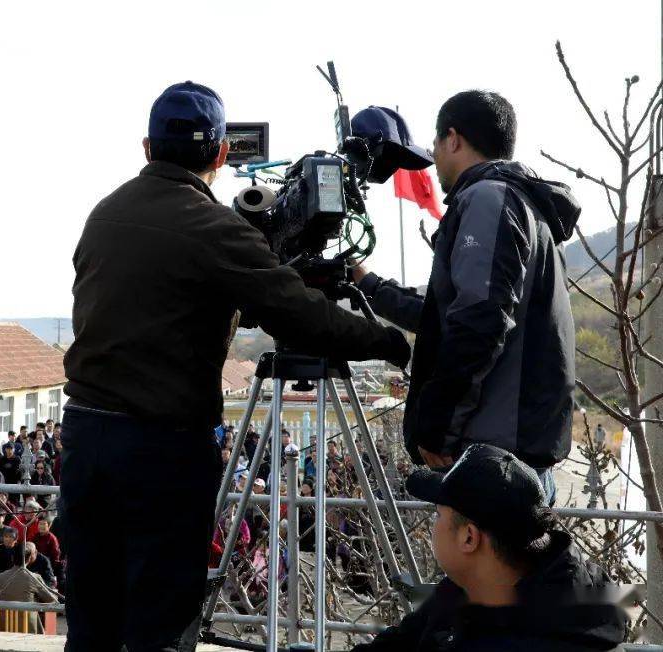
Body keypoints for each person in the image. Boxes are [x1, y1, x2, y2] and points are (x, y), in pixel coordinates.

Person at [62, 81, 410, 651]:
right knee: (160, 622)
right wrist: (388, 340)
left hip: (85, 438)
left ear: (147, 148)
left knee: (93, 614)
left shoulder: (103, 215)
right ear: (222, 155)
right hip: (162, 448)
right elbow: (300, 314)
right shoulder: (212, 227)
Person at [351, 93, 580, 504]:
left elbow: (480, 320)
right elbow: (449, 316)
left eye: (437, 144)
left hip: (492, 455)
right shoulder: (525, 205)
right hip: (511, 451)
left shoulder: (488, 199)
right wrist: (368, 284)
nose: (435, 156)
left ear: (453, 139)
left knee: (486, 569)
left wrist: (437, 426)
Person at [352, 444, 626, 651]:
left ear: (469, 538)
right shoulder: (468, 588)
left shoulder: (546, 637)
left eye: (438, 515)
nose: (433, 526)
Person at [0, 546, 59, 634]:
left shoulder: (0, 577)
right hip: (28, 628)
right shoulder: (34, 578)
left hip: (5, 626)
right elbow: (50, 599)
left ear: (12, 558)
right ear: (29, 559)